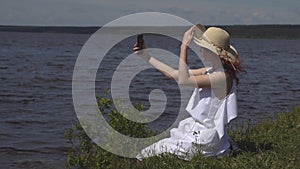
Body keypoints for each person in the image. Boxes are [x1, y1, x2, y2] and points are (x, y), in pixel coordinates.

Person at [133, 25, 244, 160]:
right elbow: (174, 74)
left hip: (206, 136)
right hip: (197, 129)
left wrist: (184, 46)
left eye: (203, 47)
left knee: (153, 154)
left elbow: (184, 80)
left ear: (213, 51)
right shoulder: (210, 71)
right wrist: (146, 56)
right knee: (150, 152)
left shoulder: (223, 77)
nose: (200, 49)